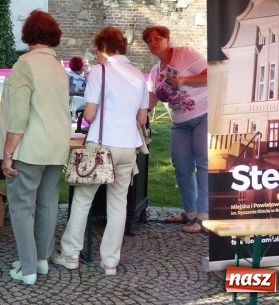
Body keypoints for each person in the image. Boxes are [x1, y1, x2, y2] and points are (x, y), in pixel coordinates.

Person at [54, 27, 149, 275]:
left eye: (96, 49)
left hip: (102, 144)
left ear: (104, 47)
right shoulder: (138, 74)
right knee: (118, 204)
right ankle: (110, 262)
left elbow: (89, 114)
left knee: (83, 199)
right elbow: (142, 117)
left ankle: (70, 254)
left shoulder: (100, 71)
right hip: (128, 146)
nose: (95, 54)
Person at [0, 10, 70, 285]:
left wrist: (7, 154)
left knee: (21, 208)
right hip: (56, 147)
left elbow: (18, 116)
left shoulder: (24, 65)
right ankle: (41, 260)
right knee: (48, 205)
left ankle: (27, 269)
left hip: (28, 149)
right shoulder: (59, 68)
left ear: (28, 34)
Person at [142, 25, 208, 233]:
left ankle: (204, 215)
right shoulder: (155, 71)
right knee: (181, 166)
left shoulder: (185, 53)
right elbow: (153, 97)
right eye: (149, 40)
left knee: (204, 164)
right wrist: (139, 112)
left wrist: (183, 81)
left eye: (157, 38)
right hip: (179, 122)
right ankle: (190, 212)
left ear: (167, 39)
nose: (153, 43)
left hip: (203, 114)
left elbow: (210, 74)